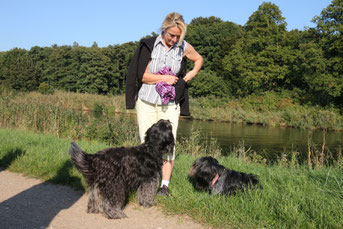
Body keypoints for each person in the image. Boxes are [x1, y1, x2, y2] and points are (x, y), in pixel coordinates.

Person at [125, 12, 203, 196]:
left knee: (168, 144)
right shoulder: (149, 45)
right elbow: (141, 76)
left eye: (178, 36)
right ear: (164, 29)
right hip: (146, 101)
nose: (174, 39)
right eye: (171, 35)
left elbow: (199, 59)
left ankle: (164, 186)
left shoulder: (183, 46)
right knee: (147, 144)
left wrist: (189, 75)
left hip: (170, 103)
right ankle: (146, 184)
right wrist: (164, 78)